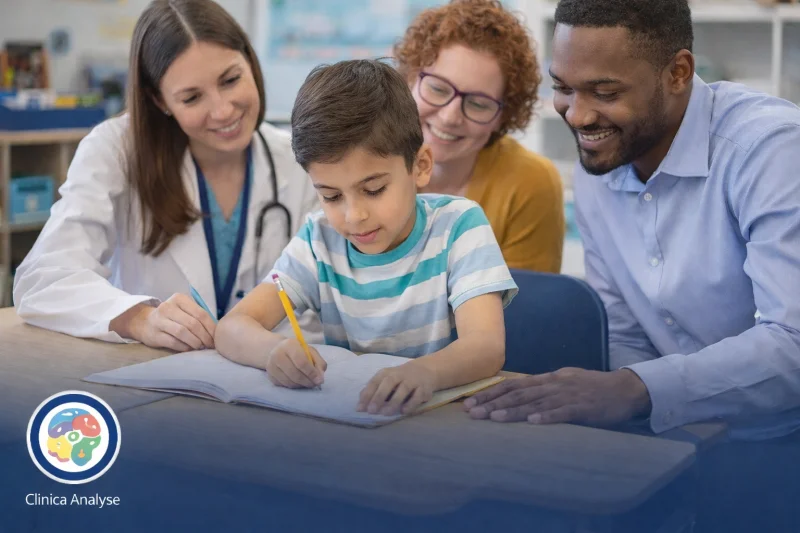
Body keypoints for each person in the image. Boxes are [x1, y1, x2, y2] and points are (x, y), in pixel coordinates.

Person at [464, 0, 800, 529]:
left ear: (678, 73)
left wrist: (632, 389)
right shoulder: (602, 161)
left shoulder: (771, 151)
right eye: (564, 88)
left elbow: (793, 343)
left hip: (781, 443)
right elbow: (624, 327)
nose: (576, 115)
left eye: (605, 92)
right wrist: (621, 401)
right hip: (672, 441)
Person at [215, 59, 518, 417]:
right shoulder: (319, 240)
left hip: (439, 420)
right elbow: (232, 327)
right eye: (331, 196)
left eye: (373, 189)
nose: (353, 215)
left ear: (420, 166)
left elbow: (485, 346)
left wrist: (425, 373)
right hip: (353, 418)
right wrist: (271, 352)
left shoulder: (459, 226)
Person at [13, 0, 318, 352]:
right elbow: (42, 280)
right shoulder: (115, 150)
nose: (222, 110)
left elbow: (319, 302)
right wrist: (138, 319)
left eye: (231, 79)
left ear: (250, 61)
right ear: (160, 101)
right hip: (149, 372)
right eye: (191, 98)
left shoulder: (298, 159)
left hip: (272, 380)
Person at [394, 0, 565, 273]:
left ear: (504, 116)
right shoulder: (362, 158)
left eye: (478, 103)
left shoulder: (530, 183)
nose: (450, 116)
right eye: (438, 89)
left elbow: (524, 311)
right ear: (410, 79)